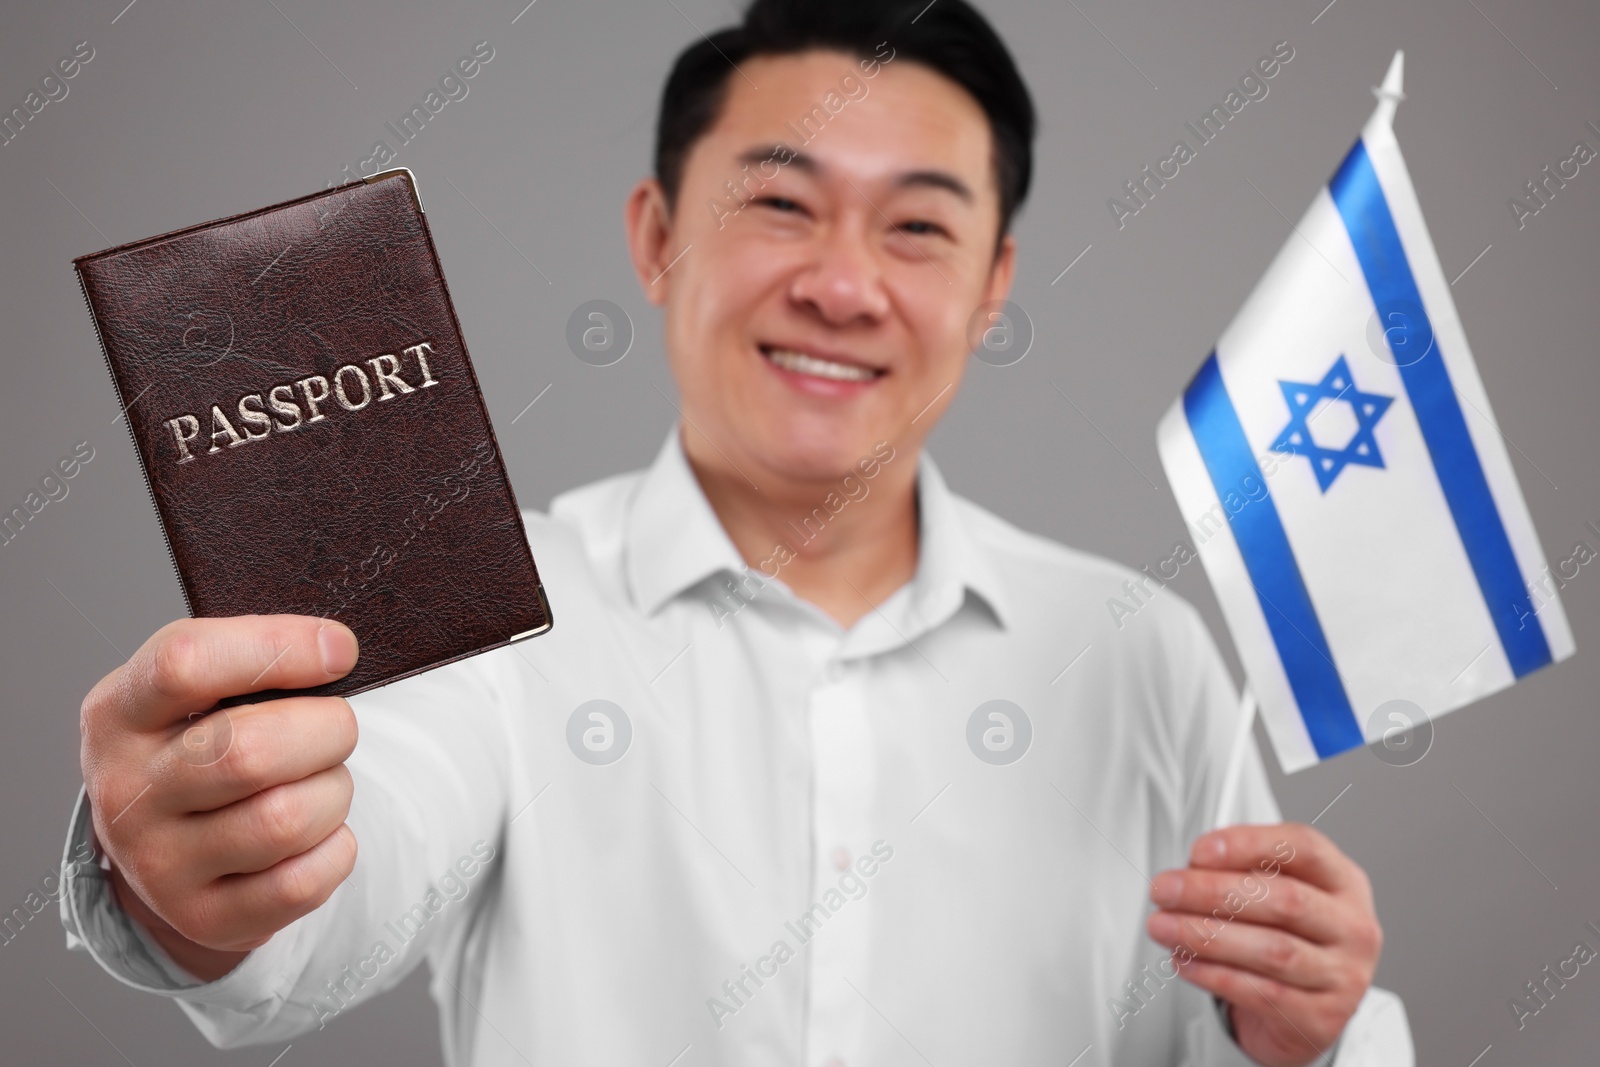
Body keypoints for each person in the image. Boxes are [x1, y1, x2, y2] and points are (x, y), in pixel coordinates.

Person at [61, 1, 1413, 1063]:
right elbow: (343, 890)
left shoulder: (1142, 658)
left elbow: (1227, 1041)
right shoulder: (498, 611)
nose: (841, 284)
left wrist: (1301, 1034)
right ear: (655, 240)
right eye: (778, 202)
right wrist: (204, 878)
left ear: (996, 285)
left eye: (920, 229)